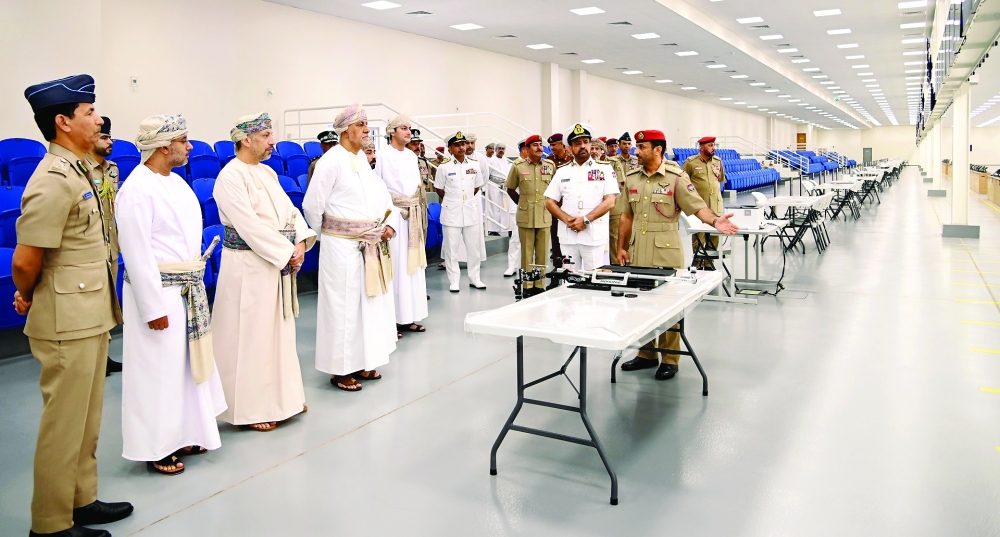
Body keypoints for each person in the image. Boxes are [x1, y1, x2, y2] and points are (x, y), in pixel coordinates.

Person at [14, 74, 132, 537]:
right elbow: (26, 259)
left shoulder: (88, 169)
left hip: (91, 312)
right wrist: (28, 291)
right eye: (88, 113)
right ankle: (49, 523)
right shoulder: (53, 178)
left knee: (87, 418)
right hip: (65, 318)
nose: (98, 118)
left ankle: (81, 501)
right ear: (62, 122)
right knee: (62, 425)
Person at [116, 114, 227, 476]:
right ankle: (156, 446)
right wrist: (151, 308)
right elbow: (135, 253)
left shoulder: (176, 183)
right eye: (184, 140)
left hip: (186, 289)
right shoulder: (135, 189)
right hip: (158, 294)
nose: (190, 147)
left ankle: (186, 432)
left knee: (183, 365)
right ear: (164, 147)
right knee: (156, 372)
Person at [213, 112, 316, 431]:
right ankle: (252, 409)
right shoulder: (230, 177)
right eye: (267, 135)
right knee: (251, 337)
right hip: (248, 268)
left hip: (275, 264)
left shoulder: (268, 173)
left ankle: (283, 399)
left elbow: (291, 212)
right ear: (247, 139)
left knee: (278, 335)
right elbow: (249, 227)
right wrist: (286, 253)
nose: (273, 141)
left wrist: (299, 241)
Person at [617, 130, 738, 381]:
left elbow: (697, 207)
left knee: (669, 304)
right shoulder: (631, 178)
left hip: (665, 248)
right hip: (638, 248)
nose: (636, 151)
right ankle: (646, 353)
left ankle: (670, 357)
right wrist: (621, 247)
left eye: (642, 147)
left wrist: (716, 221)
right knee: (640, 301)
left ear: (658, 150)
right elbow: (626, 215)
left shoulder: (676, 177)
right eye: (637, 147)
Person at [304, 103, 398, 392]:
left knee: (368, 304)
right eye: (361, 125)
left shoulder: (363, 163)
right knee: (342, 307)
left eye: (366, 124)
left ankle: (364, 360)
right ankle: (340, 370)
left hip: (369, 245)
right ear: (346, 130)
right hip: (341, 247)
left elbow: (383, 197)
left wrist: (390, 223)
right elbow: (312, 206)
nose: (367, 130)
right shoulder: (330, 161)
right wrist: (331, 236)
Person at [374, 115, 428, 337]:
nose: (408, 132)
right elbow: (379, 187)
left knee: (412, 267)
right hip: (394, 215)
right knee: (396, 266)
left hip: (413, 216)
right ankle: (393, 320)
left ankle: (409, 317)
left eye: (410, 128)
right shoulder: (382, 155)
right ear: (392, 131)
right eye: (403, 128)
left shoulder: (411, 156)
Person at [543, 124, 618, 272]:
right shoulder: (562, 172)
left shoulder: (605, 169)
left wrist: (585, 220)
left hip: (593, 234)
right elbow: (549, 201)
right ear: (569, 148)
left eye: (586, 142)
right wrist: (567, 220)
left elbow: (610, 201)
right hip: (568, 235)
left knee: (595, 279)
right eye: (577, 143)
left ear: (591, 144)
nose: (583, 146)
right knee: (569, 278)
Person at [89, 117, 123, 376]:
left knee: (107, 302)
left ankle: (104, 354)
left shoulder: (112, 169)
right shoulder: (81, 170)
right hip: (89, 249)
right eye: (104, 137)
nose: (109, 142)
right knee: (91, 305)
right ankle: (92, 357)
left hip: (110, 247)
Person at [434, 131, 486, 292]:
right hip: (452, 213)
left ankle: (475, 278)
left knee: (474, 249)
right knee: (452, 250)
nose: (461, 147)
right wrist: (454, 200)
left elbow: (477, 187)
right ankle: (454, 281)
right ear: (450, 149)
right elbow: (439, 189)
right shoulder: (444, 167)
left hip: (470, 211)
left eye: (463, 144)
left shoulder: (474, 165)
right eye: (457, 145)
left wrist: (466, 200)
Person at [505, 135, 555, 295]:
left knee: (542, 254)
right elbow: (510, 188)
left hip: (544, 214)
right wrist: (522, 203)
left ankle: (540, 285)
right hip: (525, 216)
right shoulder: (517, 166)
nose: (540, 148)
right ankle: (527, 286)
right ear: (526, 149)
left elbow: (555, 190)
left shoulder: (550, 165)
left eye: (541, 145)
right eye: (535, 145)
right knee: (526, 254)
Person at [682, 137, 727, 270]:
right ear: (701, 147)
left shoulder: (718, 162)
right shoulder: (690, 162)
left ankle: (709, 264)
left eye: (714, 145)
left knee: (714, 236)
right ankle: (698, 264)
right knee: (699, 237)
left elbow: (720, 179)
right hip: (699, 206)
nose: (714, 147)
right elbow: (682, 182)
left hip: (716, 205)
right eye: (710, 145)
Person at [546, 132, 572, 270]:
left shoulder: (572, 160)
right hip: (555, 207)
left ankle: (570, 267)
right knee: (555, 237)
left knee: (570, 238)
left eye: (554, 144)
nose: (552, 147)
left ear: (562, 144)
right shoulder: (549, 161)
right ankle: (557, 268)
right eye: (550, 145)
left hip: (570, 205)